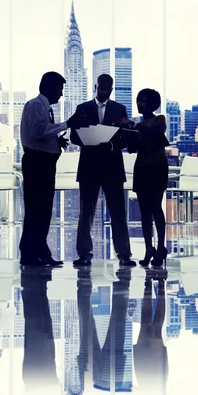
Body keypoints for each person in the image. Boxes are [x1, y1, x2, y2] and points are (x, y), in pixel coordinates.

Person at [18, 71, 86, 267]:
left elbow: (41, 133)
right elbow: (38, 131)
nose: (61, 93)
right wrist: (67, 124)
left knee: (43, 209)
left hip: (43, 162)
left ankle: (40, 252)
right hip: (36, 163)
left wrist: (56, 141)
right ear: (48, 87)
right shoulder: (35, 105)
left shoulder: (43, 106)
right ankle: (30, 254)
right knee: (36, 209)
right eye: (59, 88)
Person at [70, 74, 135, 267]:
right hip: (89, 165)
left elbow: (125, 138)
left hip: (112, 166)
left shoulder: (119, 109)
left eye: (108, 89)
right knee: (86, 212)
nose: (105, 92)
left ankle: (124, 254)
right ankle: (84, 254)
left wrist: (112, 146)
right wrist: (88, 140)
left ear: (111, 90)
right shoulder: (82, 109)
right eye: (102, 88)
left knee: (118, 212)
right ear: (95, 87)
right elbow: (73, 136)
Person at [122, 89, 170, 267]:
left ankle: (160, 247)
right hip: (141, 168)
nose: (139, 104)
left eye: (143, 101)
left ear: (151, 103)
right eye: (138, 101)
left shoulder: (159, 119)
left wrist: (133, 126)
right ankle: (149, 248)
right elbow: (132, 148)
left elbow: (155, 134)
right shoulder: (139, 125)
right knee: (144, 211)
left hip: (156, 168)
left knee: (156, 207)